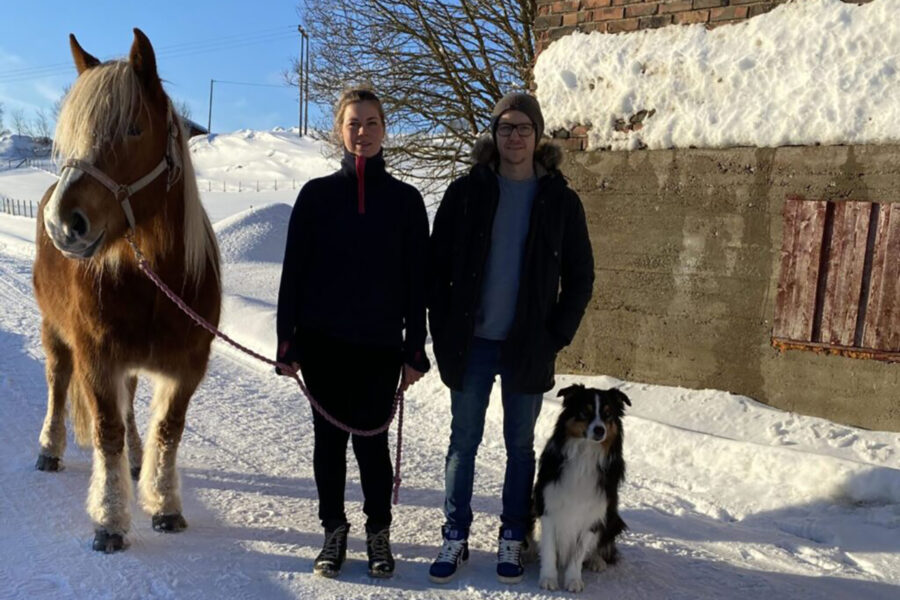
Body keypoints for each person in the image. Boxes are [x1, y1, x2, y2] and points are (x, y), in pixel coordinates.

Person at [427, 92, 595, 584]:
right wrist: (442, 331)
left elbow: (581, 276)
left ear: (538, 135)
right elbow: (436, 269)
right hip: (472, 342)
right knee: (463, 443)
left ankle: (513, 536)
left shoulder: (561, 200)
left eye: (523, 128)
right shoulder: (466, 192)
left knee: (520, 447)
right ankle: (455, 535)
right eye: (505, 128)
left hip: (528, 345)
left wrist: (556, 335)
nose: (514, 136)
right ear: (493, 135)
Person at [276, 88, 430, 579]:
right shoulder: (316, 197)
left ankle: (378, 533)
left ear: (385, 129)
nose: (362, 132)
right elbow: (293, 275)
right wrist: (287, 343)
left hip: (380, 347)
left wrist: (414, 350)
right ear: (338, 131)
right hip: (324, 345)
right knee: (329, 444)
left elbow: (416, 283)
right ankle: (333, 531)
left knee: (372, 445)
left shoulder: (406, 202)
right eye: (353, 124)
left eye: (371, 123)